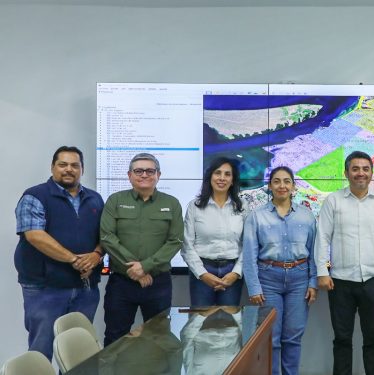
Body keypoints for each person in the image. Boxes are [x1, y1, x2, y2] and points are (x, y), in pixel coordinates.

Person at [13, 146, 104, 359]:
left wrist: (97, 255)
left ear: (82, 169)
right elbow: (35, 235)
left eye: (75, 165)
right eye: (63, 164)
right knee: (41, 350)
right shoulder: (35, 195)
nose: (68, 169)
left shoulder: (95, 199)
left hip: (85, 289)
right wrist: (74, 259)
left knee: (78, 353)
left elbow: (107, 235)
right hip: (45, 288)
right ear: (53, 167)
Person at [314, 151, 374, 375]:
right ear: (346, 173)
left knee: (372, 337)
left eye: (365, 169)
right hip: (340, 282)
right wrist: (322, 270)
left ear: (371, 173)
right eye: (355, 169)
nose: (360, 173)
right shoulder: (333, 201)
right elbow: (322, 237)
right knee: (342, 338)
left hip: (373, 280)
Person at [100, 153, 184, 346]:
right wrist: (136, 271)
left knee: (159, 339)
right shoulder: (115, 200)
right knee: (115, 338)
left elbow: (176, 240)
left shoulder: (171, 203)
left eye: (150, 170)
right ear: (129, 175)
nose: (144, 174)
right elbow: (107, 237)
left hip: (158, 284)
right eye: (138, 171)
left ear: (158, 175)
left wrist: (145, 266)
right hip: (121, 284)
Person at [243, 166, 317, 375]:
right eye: (276, 181)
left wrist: (313, 283)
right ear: (270, 186)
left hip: (299, 279)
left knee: (293, 337)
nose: (282, 186)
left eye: (286, 181)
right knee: (271, 338)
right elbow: (249, 255)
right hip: (268, 280)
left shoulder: (307, 216)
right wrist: (254, 287)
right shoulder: (256, 216)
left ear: (293, 186)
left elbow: (314, 253)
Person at [181, 157, 247, 307]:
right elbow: (187, 245)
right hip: (202, 270)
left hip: (232, 271)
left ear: (232, 179)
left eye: (227, 174)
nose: (222, 178)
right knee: (200, 322)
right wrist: (203, 274)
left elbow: (248, 244)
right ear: (210, 176)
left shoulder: (242, 206)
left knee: (229, 324)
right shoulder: (195, 206)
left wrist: (236, 273)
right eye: (218, 173)